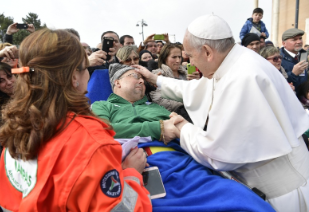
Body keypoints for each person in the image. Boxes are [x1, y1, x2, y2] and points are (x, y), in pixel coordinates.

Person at [134, 14, 309, 212]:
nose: (190, 62)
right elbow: (196, 89)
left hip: (284, 194)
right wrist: (156, 80)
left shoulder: (241, 78)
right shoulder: (235, 61)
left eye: (190, 56)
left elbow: (218, 151)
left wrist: (182, 128)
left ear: (207, 52)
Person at [0, 28, 152, 212]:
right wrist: (131, 173)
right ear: (74, 76)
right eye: (86, 67)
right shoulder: (91, 141)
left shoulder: (16, 124)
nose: (89, 74)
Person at [91, 63, 275, 212]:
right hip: (137, 164)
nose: (141, 81)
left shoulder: (156, 108)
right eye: (134, 76)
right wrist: (158, 127)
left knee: (241, 198)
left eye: (142, 79)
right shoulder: (101, 106)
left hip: (180, 161)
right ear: (117, 83)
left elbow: (181, 128)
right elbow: (102, 130)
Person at [150, 43, 199, 113]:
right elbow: (159, 99)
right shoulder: (157, 75)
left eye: (179, 57)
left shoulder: (187, 74)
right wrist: (188, 104)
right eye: (174, 57)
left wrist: (197, 82)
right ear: (164, 58)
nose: (178, 60)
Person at [280, 28, 308, 93]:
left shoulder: (304, 55)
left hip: (304, 98)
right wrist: (293, 74)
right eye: (294, 40)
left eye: (300, 38)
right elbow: (277, 81)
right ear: (284, 43)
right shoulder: (277, 58)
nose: (299, 42)